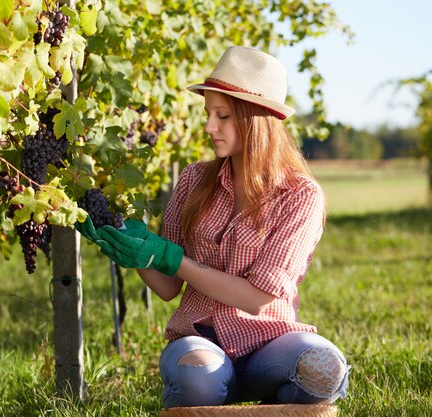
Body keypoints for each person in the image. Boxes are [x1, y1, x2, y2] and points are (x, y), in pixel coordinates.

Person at [76, 46, 349, 408]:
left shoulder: (300, 196)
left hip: (269, 342)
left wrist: (175, 259)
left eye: (223, 116)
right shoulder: (193, 180)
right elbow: (169, 286)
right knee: (196, 380)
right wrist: (133, 253)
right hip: (200, 340)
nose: (209, 126)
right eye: (209, 114)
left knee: (324, 368)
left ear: (257, 120)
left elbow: (258, 298)